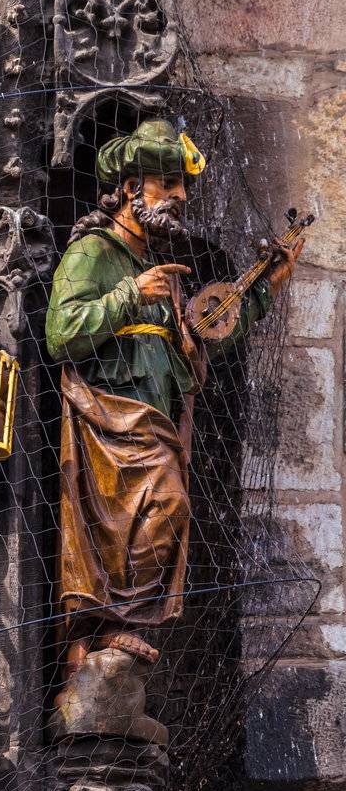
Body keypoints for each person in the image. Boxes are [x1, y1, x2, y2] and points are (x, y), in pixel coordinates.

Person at [46, 118, 301, 681]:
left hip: (154, 422)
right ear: (132, 188)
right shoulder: (95, 252)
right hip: (107, 424)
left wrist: (263, 289)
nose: (181, 197)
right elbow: (61, 333)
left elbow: (203, 333)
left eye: (181, 186)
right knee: (161, 508)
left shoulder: (160, 268)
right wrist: (127, 295)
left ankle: (110, 631)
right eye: (168, 183)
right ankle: (103, 626)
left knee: (163, 510)